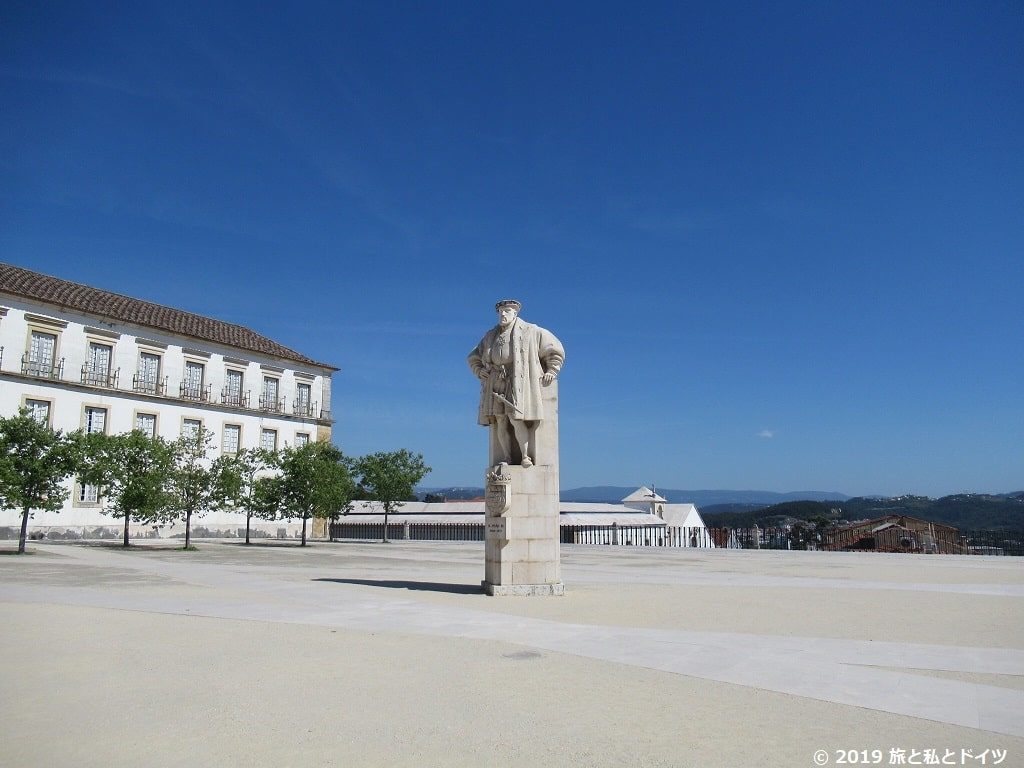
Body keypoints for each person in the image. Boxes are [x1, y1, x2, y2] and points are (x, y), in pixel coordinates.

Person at [468, 300, 565, 468]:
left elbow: (554, 349)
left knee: (516, 419)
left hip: (519, 381)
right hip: (495, 381)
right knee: (500, 420)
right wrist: (478, 370)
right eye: (500, 312)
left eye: (506, 311)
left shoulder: (531, 331)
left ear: (515, 313)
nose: (503, 314)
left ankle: (525, 456)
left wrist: (551, 370)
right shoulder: (490, 336)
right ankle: (507, 457)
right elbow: (473, 357)